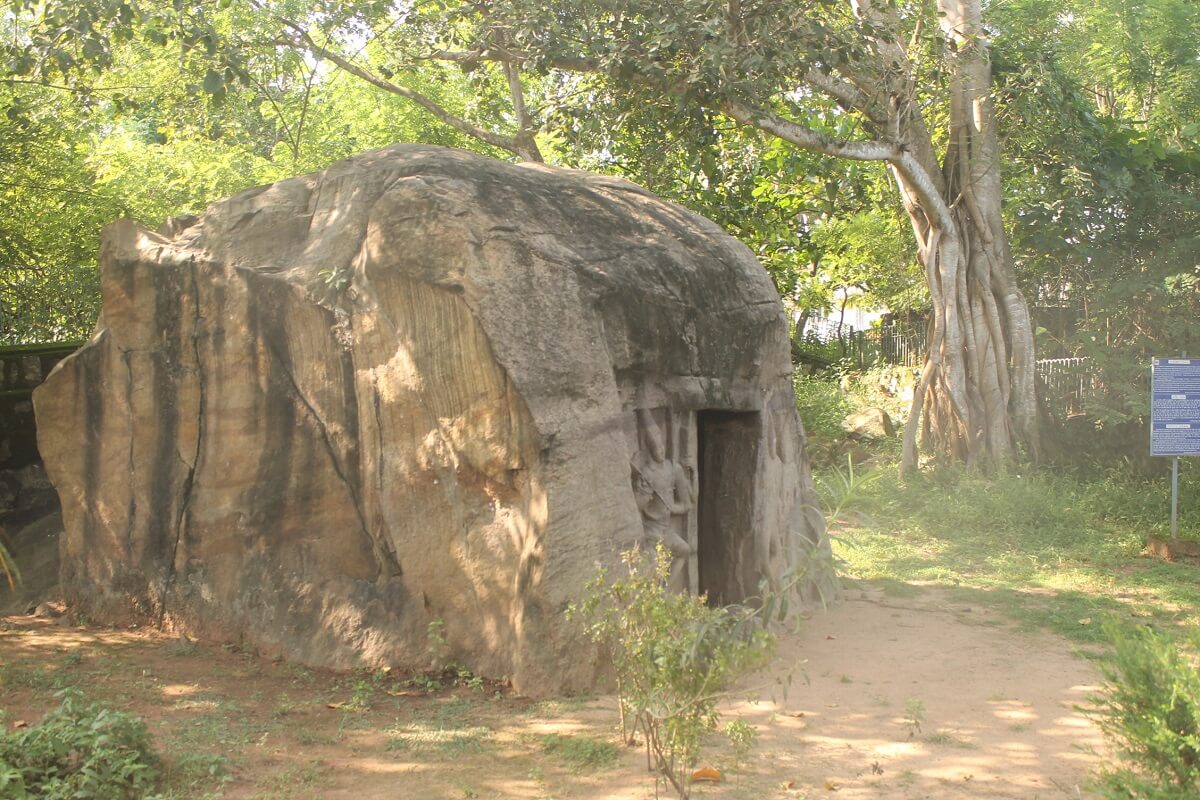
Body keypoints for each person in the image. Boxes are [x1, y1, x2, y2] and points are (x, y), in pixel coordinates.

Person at [631, 409, 694, 592]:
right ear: (649, 449)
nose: (660, 450)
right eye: (655, 447)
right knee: (653, 563)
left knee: (685, 551)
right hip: (651, 531)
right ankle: (654, 592)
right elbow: (637, 508)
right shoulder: (646, 474)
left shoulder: (673, 469)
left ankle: (665, 589)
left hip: (667, 530)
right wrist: (644, 492)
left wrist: (674, 508)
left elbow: (687, 505)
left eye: (662, 446)